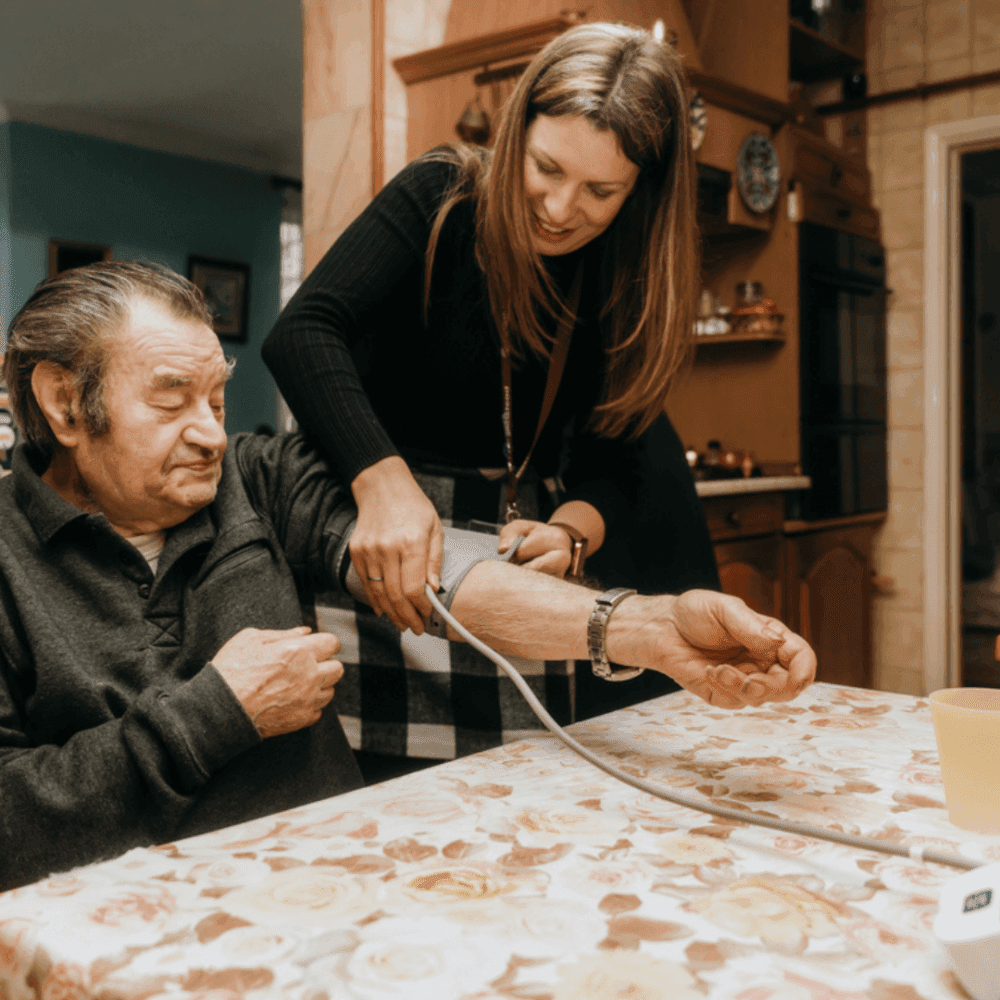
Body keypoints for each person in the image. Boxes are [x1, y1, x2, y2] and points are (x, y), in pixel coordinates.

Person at [0, 261, 815, 889]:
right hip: (119, 924)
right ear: (66, 403)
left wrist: (649, 628)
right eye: (173, 401)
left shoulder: (257, 479)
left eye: (217, 399)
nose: (211, 433)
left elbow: (444, 572)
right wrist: (214, 714)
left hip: (326, 883)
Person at [263, 22, 718, 776]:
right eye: (546, 167)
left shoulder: (623, 271)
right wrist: (385, 486)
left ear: (639, 191)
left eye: (600, 191)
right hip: (373, 532)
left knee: (512, 805)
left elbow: (620, 454)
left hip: (507, 563)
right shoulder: (442, 194)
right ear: (517, 132)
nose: (560, 207)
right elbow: (305, 333)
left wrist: (571, 532)